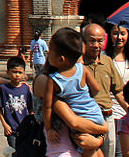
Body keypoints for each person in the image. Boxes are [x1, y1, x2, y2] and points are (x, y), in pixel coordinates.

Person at [41, 27, 106, 157]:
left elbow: (47, 106)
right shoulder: (82, 69)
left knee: (86, 147)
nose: (48, 54)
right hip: (96, 114)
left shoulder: (54, 80)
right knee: (96, 150)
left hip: (81, 120)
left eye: (51, 52)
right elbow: (96, 89)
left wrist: (49, 129)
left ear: (61, 59)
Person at [83, 23, 127, 157]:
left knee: (109, 153)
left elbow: (118, 91)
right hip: (85, 118)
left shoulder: (107, 61)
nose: (96, 45)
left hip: (107, 117)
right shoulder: (78, 64)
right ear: (84, 41)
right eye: (92, 41)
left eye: (100, 41)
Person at [108, 24, 129, 141]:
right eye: (115, 33)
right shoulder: (104, 58)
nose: (119, 37)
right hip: (111, 113)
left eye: (123, 33)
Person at [0, 56, 32, 151]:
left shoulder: (26, 89)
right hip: (11, 130)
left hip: (25, 129)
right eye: (14, 72)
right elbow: (0, 109)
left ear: (24, 73)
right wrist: (5, 125)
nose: (17, 75)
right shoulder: (3, 89)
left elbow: (31, 109)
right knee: (14, 152)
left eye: (20, 72)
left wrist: (32, 125)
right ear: (8, 72)